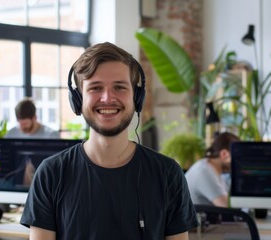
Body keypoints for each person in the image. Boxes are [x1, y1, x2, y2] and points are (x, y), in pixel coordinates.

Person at [20, 42, 198, 239]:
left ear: (137, 98)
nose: (107, 98)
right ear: (78, 100)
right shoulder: (51, 174)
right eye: (95, 88)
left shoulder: (167, 174)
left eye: (119, 87)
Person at [185, 132, 240, 207]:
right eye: (237, 156)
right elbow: (227, 207)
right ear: (224, 154)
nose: (239, 162)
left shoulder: (210, 167)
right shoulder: (204, 172)